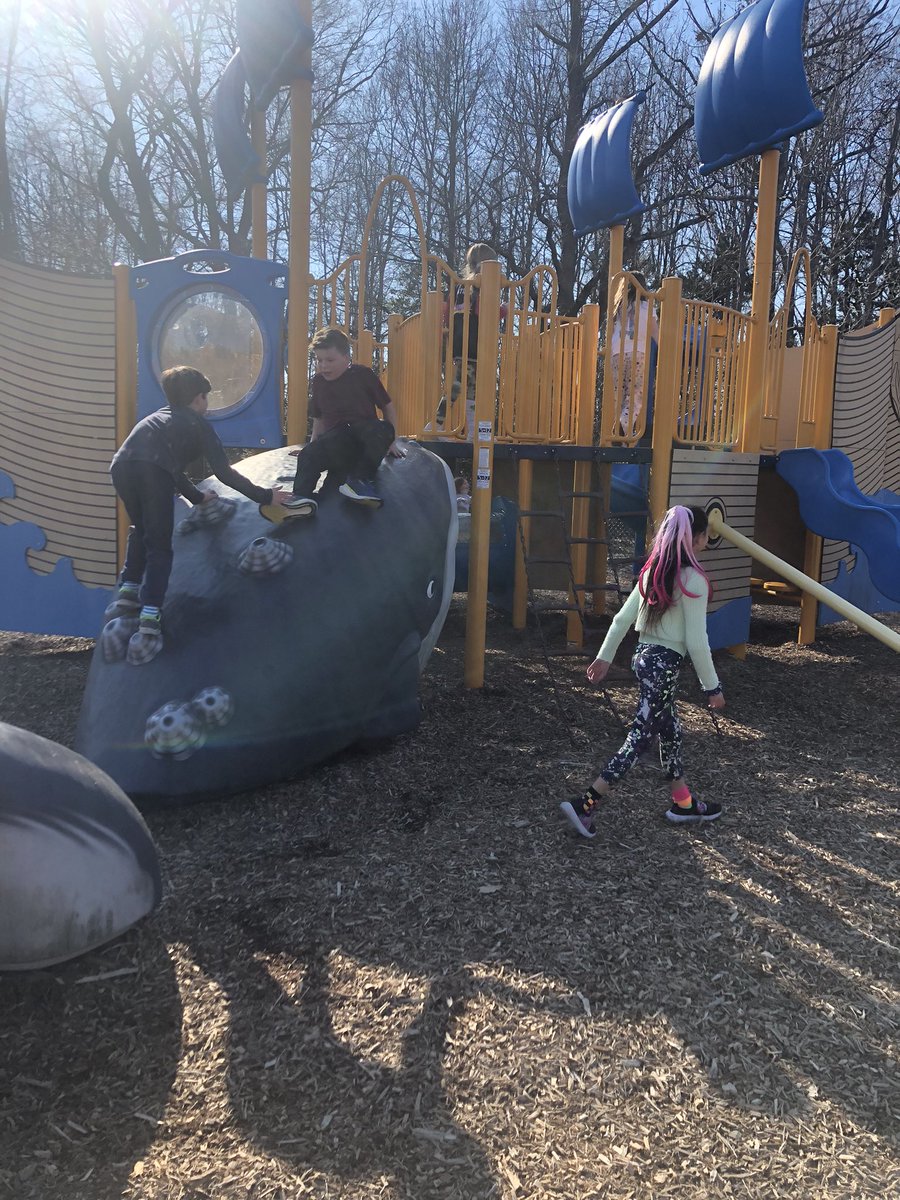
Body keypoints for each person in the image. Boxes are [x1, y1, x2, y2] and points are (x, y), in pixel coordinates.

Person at [559, 505, 725, 839]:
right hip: (664, 666)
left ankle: (683, 802)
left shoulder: (652, 572)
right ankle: (585, 803)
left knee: (670, 730)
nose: (707, 541)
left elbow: (621, 620)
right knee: (639, 738)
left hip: (644, 659)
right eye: (706, 535)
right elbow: (696, 639)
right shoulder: (693, 580)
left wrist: (605, 657)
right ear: (695, 538)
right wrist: (712, 687)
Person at [107, 366, 290, 644]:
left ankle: (128, 590)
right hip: (152, 471)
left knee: (142, 528)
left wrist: (197, 497)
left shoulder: (156, 419)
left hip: (121, 466)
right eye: (206, 398)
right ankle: (150, 614)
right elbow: (224, 472)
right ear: (198, 399)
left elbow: (172, 469)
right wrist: (265, 496)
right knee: (159, 545)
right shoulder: (198, 424)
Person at [287, 327, 403, 509]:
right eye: (319, 360)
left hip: (363, 438)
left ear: (346, 358)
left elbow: (387, 407)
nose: (324, 365)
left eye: (330, 360)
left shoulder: (362, 375)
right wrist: (313, 444)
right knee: (307, 455)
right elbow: (318, 417)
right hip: (337, 442)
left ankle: (359, 481)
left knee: (383, 428)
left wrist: (391, 441)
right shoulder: (318, 382)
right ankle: (300, 499)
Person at [441, 243, 506, 440]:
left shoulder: (462, 285)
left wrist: (446, 331)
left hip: (460, 344)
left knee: (465, 389)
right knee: (460, 389)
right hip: (474, 346)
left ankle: (470, 432)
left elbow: (446, 311)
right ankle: (436, 424)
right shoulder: (480, 287)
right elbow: (485, 312)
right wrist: (504, 309)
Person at [608, 270, 658, 435]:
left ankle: (618, 428)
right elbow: (654, 331)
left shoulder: (619, 308)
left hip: (617, 354)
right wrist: (667, 347)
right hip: (637, 353)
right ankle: (623, 426)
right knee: (635, 395)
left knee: (619, 395)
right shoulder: (647, 306)